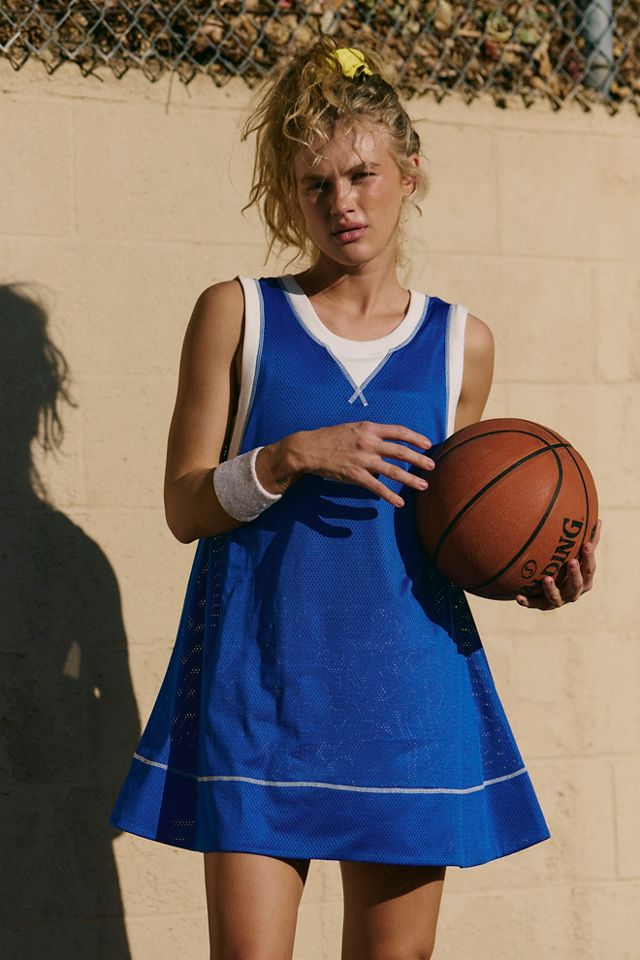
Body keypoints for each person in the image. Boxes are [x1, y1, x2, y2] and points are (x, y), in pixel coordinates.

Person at [110, 37, 601, 959]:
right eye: (316, 184)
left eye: (363, 175)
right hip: (261, 689)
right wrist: (288, 457)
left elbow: (451, 525)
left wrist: (526, 573)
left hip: (408, 696)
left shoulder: (461, 344)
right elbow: (183, 506)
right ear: (289, 195)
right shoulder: (239, 313)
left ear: (409, 172)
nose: (342, 202)